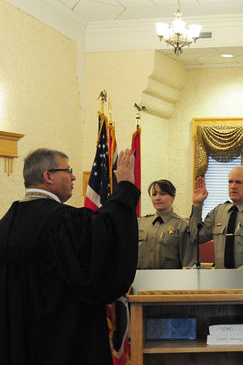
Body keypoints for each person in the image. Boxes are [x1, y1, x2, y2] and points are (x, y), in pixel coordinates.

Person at [0, 147, 139, 365]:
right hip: (61, 342)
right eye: (68, 170)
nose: (74, 176)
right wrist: (126, 188)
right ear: (48, 176)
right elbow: (106, 234)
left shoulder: (6, 224)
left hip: (17, 343)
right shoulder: (62, 221)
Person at [189, 166, 243, 285]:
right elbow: (196, 238)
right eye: (230, 182)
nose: (233, 186)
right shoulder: (218, 212)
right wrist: (197, 205)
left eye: (238, 182)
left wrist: (240, 274)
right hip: (222, 282)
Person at [137, 179, 195, 269]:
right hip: (142, 279)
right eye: (154, 194)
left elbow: (188, 264)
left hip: (170, 280)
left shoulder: (183, 226)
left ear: (173, 197)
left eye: (163, 194)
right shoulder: (141, 223)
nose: (157, 198)